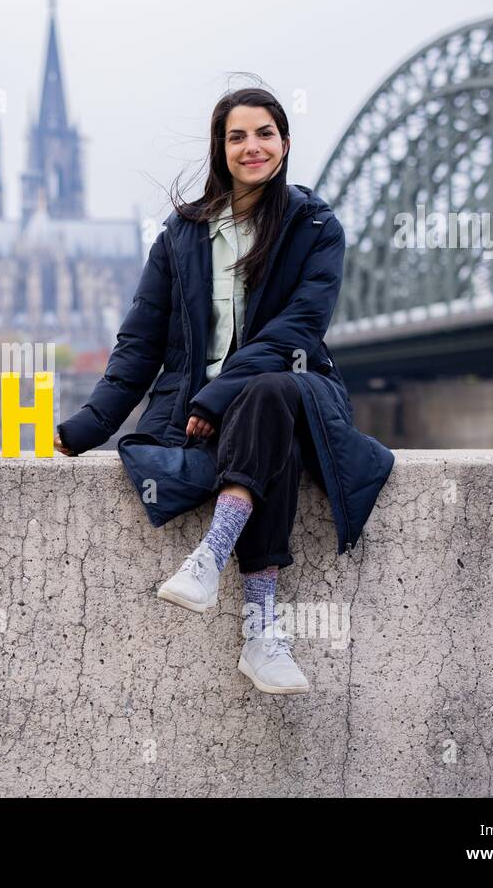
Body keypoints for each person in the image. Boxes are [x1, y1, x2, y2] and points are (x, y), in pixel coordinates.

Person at [54, 86, 394, 695]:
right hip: (204, 415)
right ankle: (263, 632)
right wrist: (86, 427)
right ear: (221, 148)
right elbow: (140, 344)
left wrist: (216, 398)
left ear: (284, 144)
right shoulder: (181, 236)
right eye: (237, 136)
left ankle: (212, 555)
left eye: (264, 133)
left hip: (295, 389)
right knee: (271, 424)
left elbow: (296, 332)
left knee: (271, 388)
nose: (252, 147)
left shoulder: (315, 228)